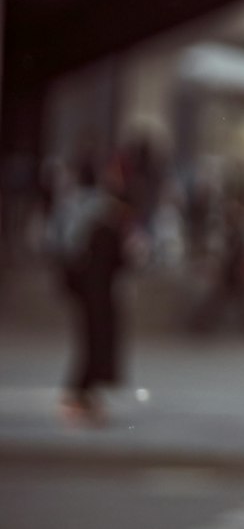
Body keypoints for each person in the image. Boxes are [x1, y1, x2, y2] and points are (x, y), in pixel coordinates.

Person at [46, 155, 133, 425]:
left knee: (91, 344)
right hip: (95, 295)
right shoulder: (98, 218)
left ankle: (85, 397)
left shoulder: (83, 212)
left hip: (89, 292)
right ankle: (78, 397)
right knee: (92, 343)